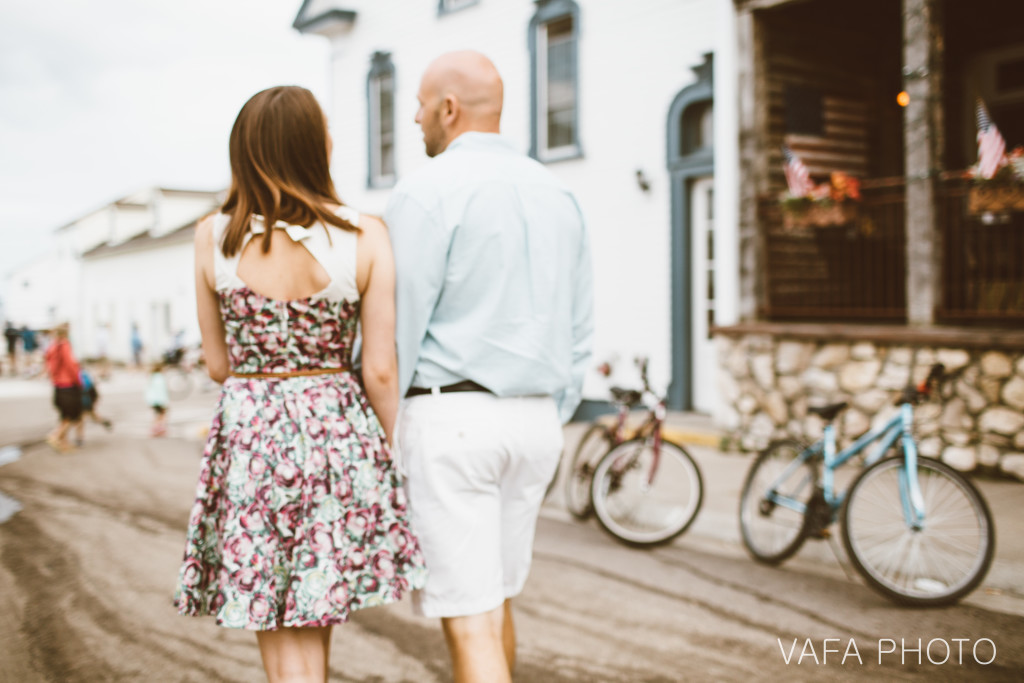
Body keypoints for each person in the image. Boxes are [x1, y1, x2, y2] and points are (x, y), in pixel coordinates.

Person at [173, 85, 426, 681]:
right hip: (336, 431)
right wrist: (386, 450)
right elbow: (381, 369)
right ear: (315, 146)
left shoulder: (212, 236)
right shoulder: (366, 233)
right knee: (314, 601)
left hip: (253, 432)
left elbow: (216, 363)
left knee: (274, 608)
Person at [385, 51, 593, 683]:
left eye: (420, 104)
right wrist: (550, 410)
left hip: (453, 420)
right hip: (535, 423)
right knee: (495, 598)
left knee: (469, 616)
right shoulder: (559, 193)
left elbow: (398, 328)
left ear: (448, 109)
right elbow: (580, 329)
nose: (415, 118)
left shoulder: (425, 191)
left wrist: (385, 433)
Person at [43, 323, 83, 453]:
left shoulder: (52, 346)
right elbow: (70, 365)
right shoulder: (64, 345)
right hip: (68, 385)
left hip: (57, 385)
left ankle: (63, 443)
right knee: (71, 415)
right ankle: (55, 436)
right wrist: (78, 380)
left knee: (64, 415)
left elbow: (48, 363)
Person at [75, 367, 113, 446]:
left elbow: (84, 387)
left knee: (81, 419)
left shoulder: (80, 374)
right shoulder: (85, 373)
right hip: (87, 399)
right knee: (92, 416)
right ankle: (104, 422)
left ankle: (80, 438)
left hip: (83, 400)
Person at [145, 362, 169, 437]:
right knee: (162, 415)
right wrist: (165, 401)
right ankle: (159, 428)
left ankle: (155, 428)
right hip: (160, 400)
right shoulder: (160, 377)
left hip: (152, 400)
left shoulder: (151, 377)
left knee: (156, 415)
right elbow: (162, 390)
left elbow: (148, 390)